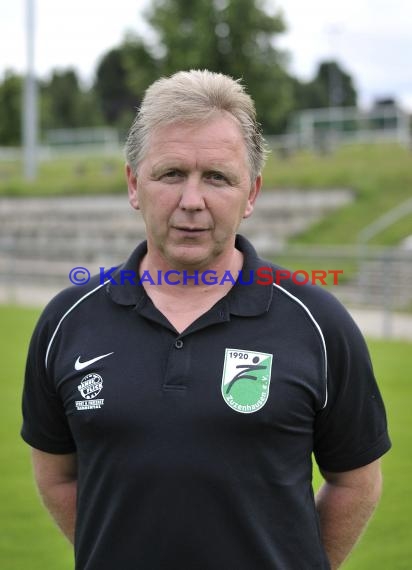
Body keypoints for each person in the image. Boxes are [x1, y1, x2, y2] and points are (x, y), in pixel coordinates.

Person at [21, 69, 391, 570]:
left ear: (252, 193)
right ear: (134, 184)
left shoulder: (318, 324)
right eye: (171, 173)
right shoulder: (66, 322)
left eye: (217, 177)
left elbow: (356, 481)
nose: (191, 201)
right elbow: (57, 476)